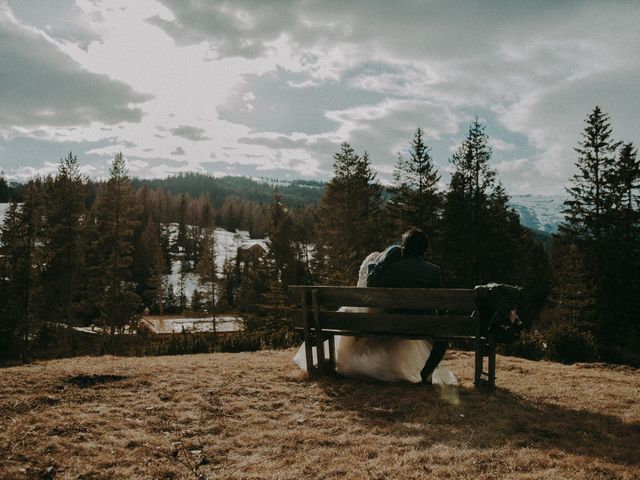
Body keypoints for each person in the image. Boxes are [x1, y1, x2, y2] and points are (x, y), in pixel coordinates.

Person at [367, 227, 449, 384]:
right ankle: (427, 372)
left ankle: (385, 368)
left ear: (405, 246)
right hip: (423, 325)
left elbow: (372, 289)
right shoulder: (433, 271)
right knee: (443, 339)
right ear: (425, 248)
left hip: (391, 323)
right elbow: (441, 303)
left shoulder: (391, 268)